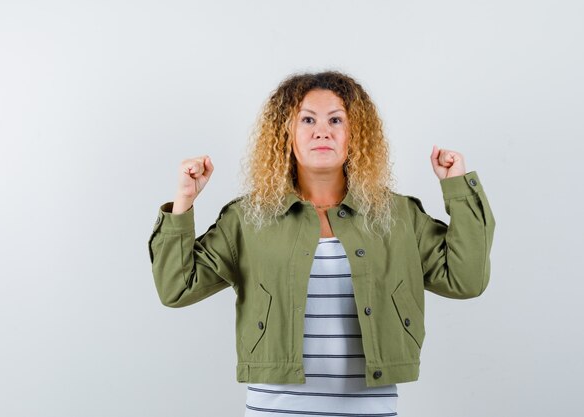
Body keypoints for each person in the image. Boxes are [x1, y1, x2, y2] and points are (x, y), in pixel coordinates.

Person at [148, 71, 495, 416]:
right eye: (308, 119)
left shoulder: (398, 216)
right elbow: (177, 288)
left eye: (336, 120)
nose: (322, 131)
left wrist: (459, 190)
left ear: (355, 134)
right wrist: (184, 200)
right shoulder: (248, 218)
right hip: (275, 410)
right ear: (286, 133)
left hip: (369, 409)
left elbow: (465, 280)